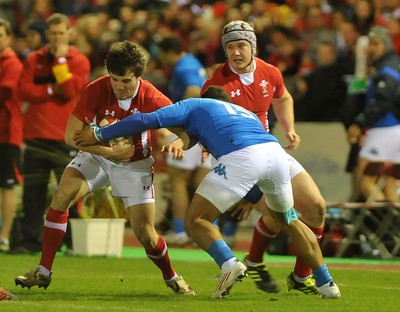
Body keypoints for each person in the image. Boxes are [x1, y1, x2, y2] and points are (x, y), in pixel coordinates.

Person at [73, 85, 341, 300]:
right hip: (276, 155)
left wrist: (100, 133)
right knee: (289, 219)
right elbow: (242, 155)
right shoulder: (243, 113)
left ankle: (229, 264)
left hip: (243, 157)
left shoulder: (197, 104)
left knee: (196, 220)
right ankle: (326, 282)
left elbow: (145, 119)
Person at [14, 40, 194, 296]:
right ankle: (43, 271)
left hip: (135, 164)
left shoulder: (153, 97)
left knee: (146, 234)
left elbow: (186, 130)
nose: (119, 87)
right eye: (114, 79)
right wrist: (108, 152)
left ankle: (172, 277)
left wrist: (180, 141)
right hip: (97, 157)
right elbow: (70, 135)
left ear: (139, 77)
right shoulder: (96, 89)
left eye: (126, 81)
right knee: (62, 194)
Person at [201, 20, 326, 295]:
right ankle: (318, 278)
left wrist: (290, 129)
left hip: (269, 151)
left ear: (252, 47)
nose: (235, 52)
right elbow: (207, 130)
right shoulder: (216, 84)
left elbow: (282, 99)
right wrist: (248, 192)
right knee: (285, 218)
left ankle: (295, 275)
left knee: (316, 207)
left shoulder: (270, 72)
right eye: (230, 47)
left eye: (241, 46)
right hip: (237, 160)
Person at [9, 13, 90, 255]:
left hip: (65, 134)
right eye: (53, 33)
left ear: (69, 33)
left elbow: (69, 90)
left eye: (61, 33)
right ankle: (30, 242)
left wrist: (60, 61)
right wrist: (50, 89)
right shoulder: (34, 58)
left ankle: (73, 242)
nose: (57, 38)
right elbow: (24, 91)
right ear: (47, 34)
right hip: (35, 133)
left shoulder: (78, 60)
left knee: (70, 189)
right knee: (33, 190)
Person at [156, 34, 210, 246]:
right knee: (201, 182)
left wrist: (181, 121)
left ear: (169, 53)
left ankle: (180, 231)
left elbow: (193, 91)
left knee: (177, 179)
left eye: (161, 55)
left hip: (190, 129)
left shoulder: (183, 68)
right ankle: (205, 228)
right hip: (205, 127)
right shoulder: (193, 63)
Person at [347, 26, 400, 202]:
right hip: (393, 130)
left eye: (376, 43)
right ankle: (393, 228)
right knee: (390, 185)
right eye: (369, 44)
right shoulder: (385, 66)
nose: (371, 48)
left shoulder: (387, 68)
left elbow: (383, 99)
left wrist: (361, 122)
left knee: (363, 181)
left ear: (386, 45)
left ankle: (388, 223)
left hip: (384, 129)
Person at [0, 18, 24, 252]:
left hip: (6, 133)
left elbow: (5, 91)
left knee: (7, 185)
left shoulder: (12, 63)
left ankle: (4, 236)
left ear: (8, 38)